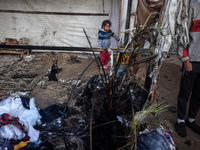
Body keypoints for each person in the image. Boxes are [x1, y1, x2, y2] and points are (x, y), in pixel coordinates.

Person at [175, 1, 200, 137]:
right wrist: (185, 59)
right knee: (184, 93)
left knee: (198, 94)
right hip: (192, 61)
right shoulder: (193, 8)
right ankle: (180, 120)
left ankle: (191, 119)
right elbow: (181, 34)